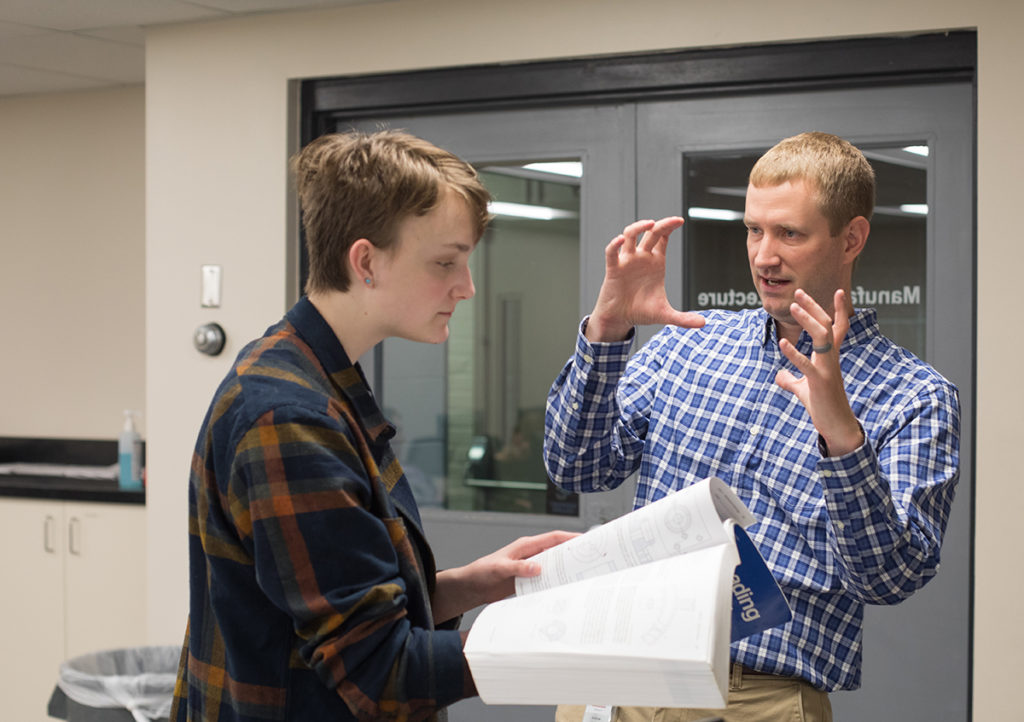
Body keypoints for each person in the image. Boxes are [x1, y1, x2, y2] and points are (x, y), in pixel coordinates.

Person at [544, 132, 960, 722]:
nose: (764, 256)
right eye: (753, 230)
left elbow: (889, 578)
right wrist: (607, 333)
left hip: (757, 699)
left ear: (852, 238)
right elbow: (576, 467)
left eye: (790, 233)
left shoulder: (914, 396)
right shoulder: (692, 343)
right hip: (622, 670)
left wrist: (843, 439)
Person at [170, 129, 575, 722]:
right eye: (445, 263)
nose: (466, 288)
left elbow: (338, 611)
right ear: (365, 261)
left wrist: (474, 584)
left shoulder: (312, 376)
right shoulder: (287, 417)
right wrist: (567, 637)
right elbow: (379, 673)